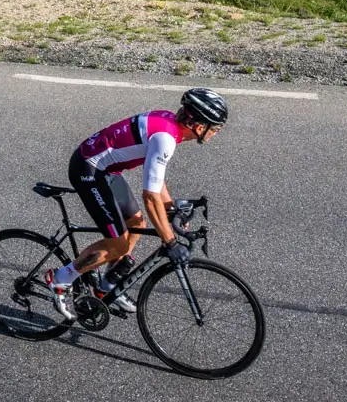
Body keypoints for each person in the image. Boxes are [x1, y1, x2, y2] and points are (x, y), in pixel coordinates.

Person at [48, 86, 229, 319]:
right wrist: (171, 242)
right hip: (89, 169)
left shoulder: (170, 124)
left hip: (106, 170)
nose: (216, 133)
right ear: (199, 126)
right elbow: (150, 197)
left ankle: (106, 286)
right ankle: (61, 279)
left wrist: (171, 210)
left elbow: (156, 179)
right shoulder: (166, 138)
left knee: (137, 223)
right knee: (119, 244)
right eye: (215, 128)